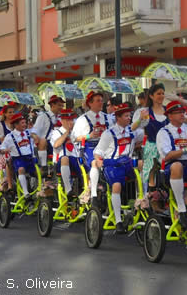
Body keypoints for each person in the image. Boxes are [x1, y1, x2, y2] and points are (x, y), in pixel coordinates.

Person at [91, 103, 144, 233]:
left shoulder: (132, 131)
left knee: (144, 165)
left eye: (129, 115)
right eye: (126, 116)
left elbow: (143, 132)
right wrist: (98, 161)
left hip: (128, 162)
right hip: (113, 163)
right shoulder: (108, 134)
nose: (129, 118)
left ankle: (142, 199)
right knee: (116, 186)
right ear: (118, 118)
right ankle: (118, 220)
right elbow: (98, 151)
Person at [157, 101, 187, 230]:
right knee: (177, 165)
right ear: (170, 116)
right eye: (178, 113)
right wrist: (185, 150)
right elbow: (166, 156)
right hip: (172, 168)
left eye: (182, 112)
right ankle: (182, 209)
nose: (182, 115)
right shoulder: (164, 132)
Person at [132, 83, 168, 194]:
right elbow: (133, 127)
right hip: (152, 144)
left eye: (162, 93)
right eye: (158, 93)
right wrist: (140, 119)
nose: (161, 96)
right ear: (151, 96)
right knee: (150, 167)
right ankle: (151, 195)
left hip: (167, 145)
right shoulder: (146, 111)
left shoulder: (168, 110)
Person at [0, 113, 40, 200]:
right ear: (16, 124)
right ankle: (26, 193)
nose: (25, 125)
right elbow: (1, 148)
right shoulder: (10, 136)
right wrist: (5, 150)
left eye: (25, 122)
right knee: (21, 169)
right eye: (22, 123)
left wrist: (34, 135)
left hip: (30, 158)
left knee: (39, 172)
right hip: (18, 159)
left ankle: (41, 189)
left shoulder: (28, 132)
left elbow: (36, 136)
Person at [72, 91, 109, 173]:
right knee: (94, 163)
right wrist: (89, 136)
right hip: (89, 147)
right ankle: (94, 185)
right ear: (90, 103)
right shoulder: (82, 119)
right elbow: (74, 138)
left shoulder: (108, 118)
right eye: (98, 101)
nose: (101, 103)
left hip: (106, 146)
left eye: (101, 101)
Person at [50, 109, 80, 198]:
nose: (71, 122)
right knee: (65, 158)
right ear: (62, 121)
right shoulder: (56, 132)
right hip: (60, 162)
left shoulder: (75, 133)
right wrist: (66, 133)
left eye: (72, 120)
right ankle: (68, 189)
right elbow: (56, 144)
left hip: (75, 160)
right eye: (68, 120)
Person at [33, 95, 64, 168]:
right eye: (59, 105)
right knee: (43, 140)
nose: (61, 108)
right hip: (47, 144)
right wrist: (35, 137)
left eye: (62, 106)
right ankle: (43, 166)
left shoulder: (62, 117)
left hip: (61, 142)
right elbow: (35, 131)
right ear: (52, 105)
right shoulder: (43, 117)